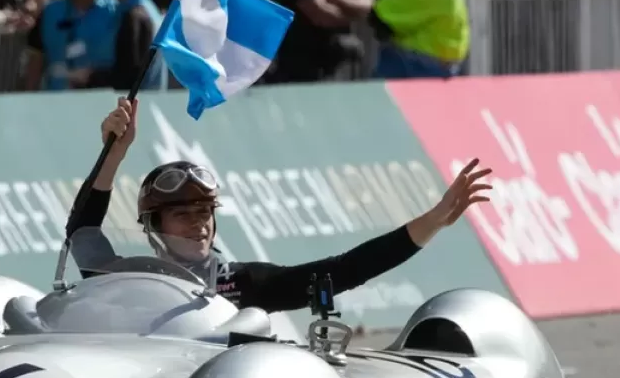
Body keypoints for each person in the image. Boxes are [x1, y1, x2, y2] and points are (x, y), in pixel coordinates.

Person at [66, 98, 492, 314]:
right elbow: (82, 233)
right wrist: (115, 153)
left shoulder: (242, 283)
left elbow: (346, 269)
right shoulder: (125, 278)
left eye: (204, 213)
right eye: (182, 214)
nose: (198, 225)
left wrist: (434, 220)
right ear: (154, 226)